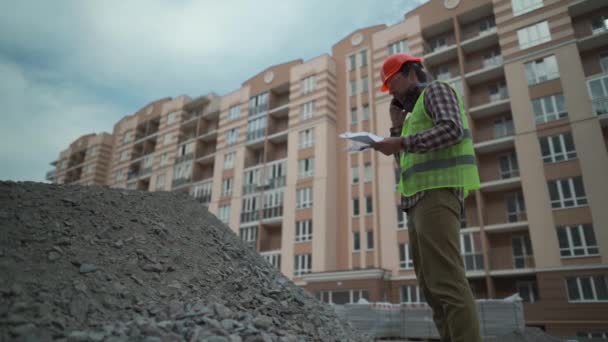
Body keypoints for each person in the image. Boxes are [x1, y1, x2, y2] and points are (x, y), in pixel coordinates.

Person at [370, 53, 482, 342]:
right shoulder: (411, 116)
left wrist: (403, 141)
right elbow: (404, 163)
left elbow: (452, 129)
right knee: (432, 288)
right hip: (417, 202)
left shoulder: (436, 90)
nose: (390, 90)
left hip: (438, 194)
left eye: (391, 82)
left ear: (410, 73)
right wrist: (396, 127)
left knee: (447, 282)